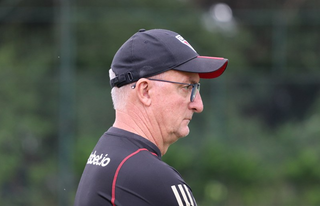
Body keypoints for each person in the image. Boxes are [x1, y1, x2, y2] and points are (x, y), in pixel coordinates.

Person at [73, 28, 228, 206]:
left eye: (197, 88)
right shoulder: (155, 179)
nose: (198, 105)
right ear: (145, 91)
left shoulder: (106, 152)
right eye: (187, 87)